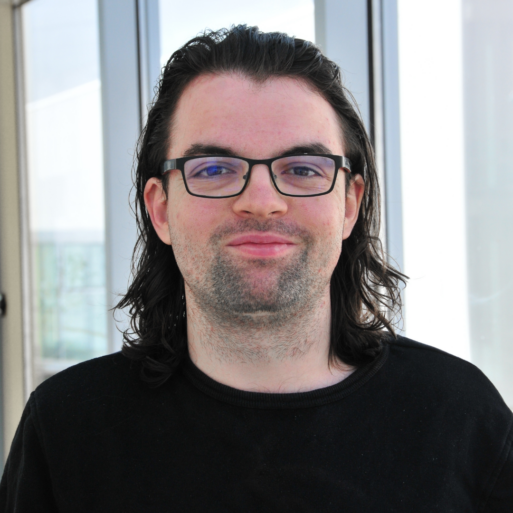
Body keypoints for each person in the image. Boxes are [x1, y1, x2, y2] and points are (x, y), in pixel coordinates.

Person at [1, 25, 512, 512]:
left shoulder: (461, 417)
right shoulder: (68, 429)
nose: (262, 201)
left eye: (304, 169)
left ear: (350, 205)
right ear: (161, 210)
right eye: (215, 170)